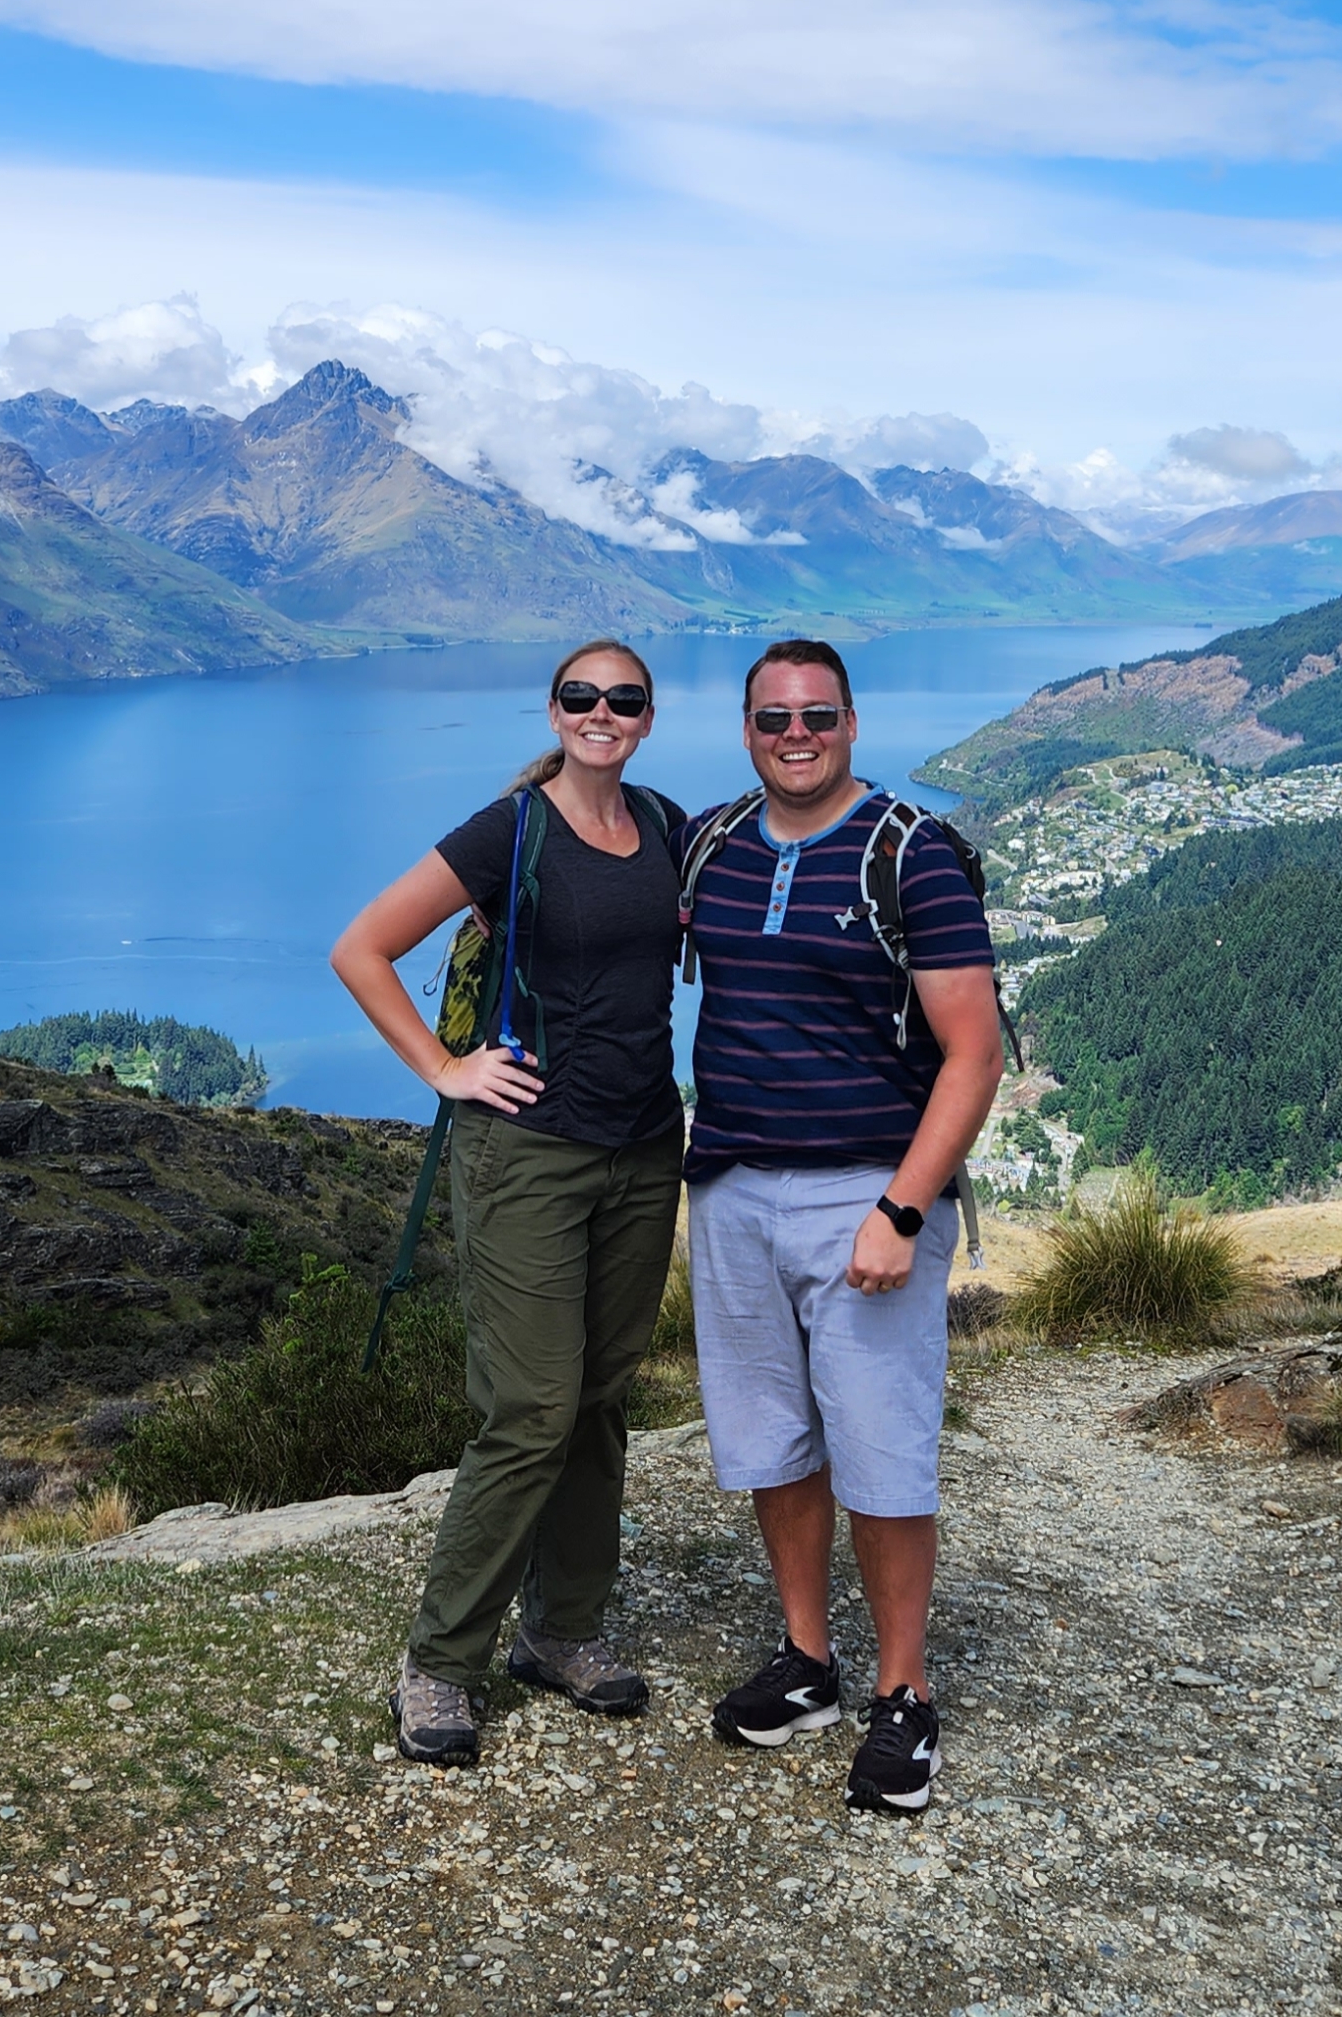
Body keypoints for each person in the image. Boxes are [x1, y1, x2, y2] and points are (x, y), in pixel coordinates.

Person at [329, 637, 690, 1768]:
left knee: (595, 1395)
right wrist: (444, 1068)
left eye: (622, 699)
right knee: (531, 1404)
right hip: (527, 1151)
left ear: (644, 715)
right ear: (554, 708)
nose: (602, 712)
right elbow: (362, 947)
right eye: (582, 696)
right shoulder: (513, 827)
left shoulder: (669, 826)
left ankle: (563, 1630)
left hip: (642, 1147)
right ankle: (439, 1661)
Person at [679, 637, 1006, 1818]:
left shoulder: (909, 854)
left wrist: (902, 1208)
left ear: (854, 721)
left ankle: (903, 1694)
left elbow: (974, 1053)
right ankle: (808, 1661)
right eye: (773, 718)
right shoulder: (712, 844)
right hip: (728, 1189)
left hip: (863, 1196)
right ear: (748, 729)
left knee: (880, 1450)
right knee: (772, 1439)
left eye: (817, 714)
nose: (796, 734)